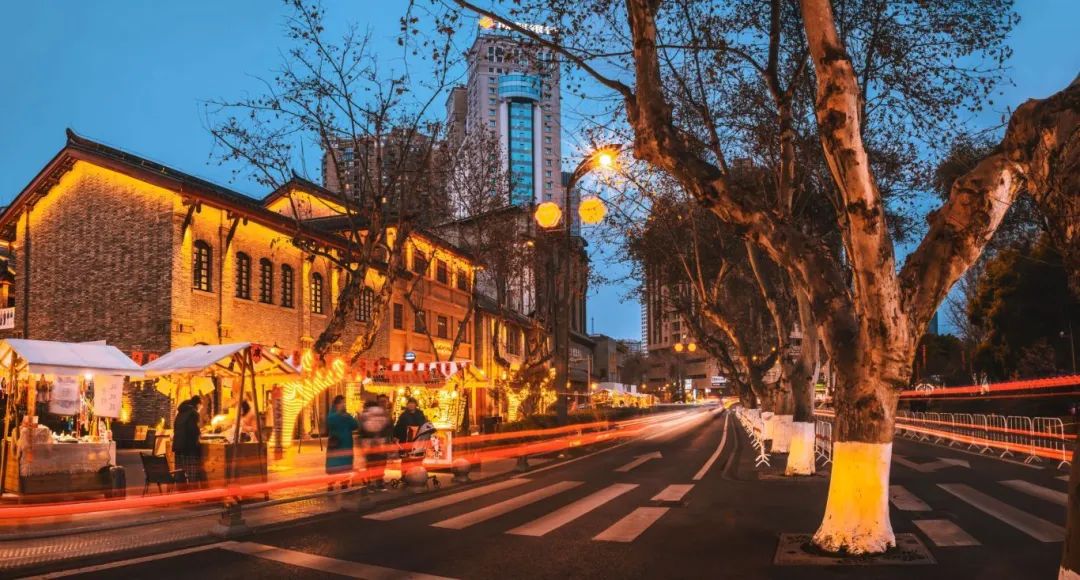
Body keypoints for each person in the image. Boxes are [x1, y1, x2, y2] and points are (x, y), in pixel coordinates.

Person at [325, 394, 359, 491]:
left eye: (344, 403)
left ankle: (344, 483)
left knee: (345, 465)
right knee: (334, 465)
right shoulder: (332, 415)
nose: (344, 404)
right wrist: (341, 415)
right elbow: (329, 422)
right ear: (337, 404)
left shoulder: (346, 415)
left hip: (346, 444)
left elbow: (355, 425)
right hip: (336, 444)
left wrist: (353, 417)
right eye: (342, 403)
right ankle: (331, 484)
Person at [173, 395, 205, 488]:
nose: (201, 408)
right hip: (189, 446)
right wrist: (199, 432)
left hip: (178, 445)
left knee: (180, 471)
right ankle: (193, 492)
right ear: (198, 404)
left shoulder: (181, 412)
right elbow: (193, 430)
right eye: (201, 405)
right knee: (192, 472)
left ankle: (181, 491)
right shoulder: (193, 413)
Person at [360, 399, 390, 490]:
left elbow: (362, 430)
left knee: (370, 463)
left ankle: (370, 483)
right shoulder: (382, 414)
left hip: (368, 443)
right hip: (381, 443)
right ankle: (379, 482)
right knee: (381, 463)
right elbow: (387, 427)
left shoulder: (364, 415)